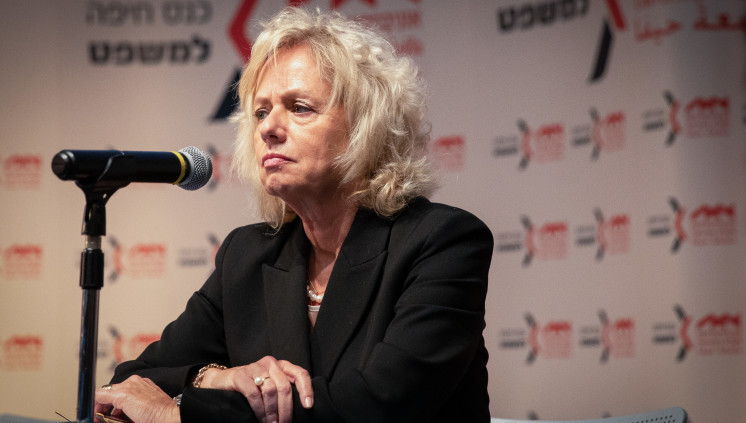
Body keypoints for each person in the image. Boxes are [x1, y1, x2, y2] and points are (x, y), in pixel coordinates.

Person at [94, 7, 493, 423]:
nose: (268, 128)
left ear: (366, 127)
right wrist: (216, 378)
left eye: (299, 107)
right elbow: (130, 384)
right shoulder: (246, 255)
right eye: (261, 112)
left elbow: (381, 404)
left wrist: (180, 416)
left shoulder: (442, 241)